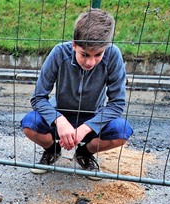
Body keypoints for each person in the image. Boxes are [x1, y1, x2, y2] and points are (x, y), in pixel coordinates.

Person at [21, 8, 133, 176]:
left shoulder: (113, 55)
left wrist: (87, 127)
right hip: (59, 113)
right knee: (29, 124)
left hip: (93, 115)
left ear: (107, 47)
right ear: (74, 44)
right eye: (84, 54)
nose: (90, 62)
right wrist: (59, 120)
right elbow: (38, 98)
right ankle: (52, 150)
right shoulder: (59, 52)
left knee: (122, 132)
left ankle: (84, 154)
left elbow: (117, 104)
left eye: (98, 55)